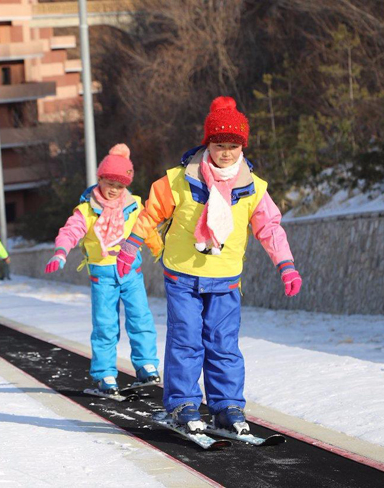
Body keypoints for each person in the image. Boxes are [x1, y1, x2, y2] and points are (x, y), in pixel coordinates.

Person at [116, 97, 303, 434]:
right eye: (219, 144)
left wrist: (286, 264)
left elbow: (270, 228)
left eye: (233, 146)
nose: (226, 152)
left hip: (225, 279)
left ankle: (227, 406)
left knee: (223, 344)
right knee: (186, 341)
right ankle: (183, 405)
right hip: (182, 275)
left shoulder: (252, 188)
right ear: (208, 143)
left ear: (242, 147)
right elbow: (149, 215)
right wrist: (131, 246)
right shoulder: (177, 180)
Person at [44, 144, 160, 395]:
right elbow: (70, 231)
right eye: (109, 183)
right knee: (105, 326)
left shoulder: (133, 206)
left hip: (132, 272)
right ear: (100, 180)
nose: (114, 190)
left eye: (120, 186)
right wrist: (61, 251)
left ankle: (147, 365)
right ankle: (106, 375)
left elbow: (147, 230)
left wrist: (159, 250)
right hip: (103, 276)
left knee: (140, 318)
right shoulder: (87, 210)